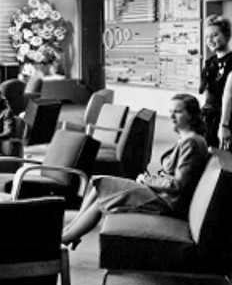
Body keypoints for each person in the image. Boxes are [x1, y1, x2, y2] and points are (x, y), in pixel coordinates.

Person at [61, 93, 210, 247]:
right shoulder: (189, 139)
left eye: (178, 112)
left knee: (104, 198)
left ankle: (65, 237)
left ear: (191, 115)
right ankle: (70, 232)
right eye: (170, 111)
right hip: (161, 195)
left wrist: (147, 180)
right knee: (98, 183)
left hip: (167, 201)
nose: (172, 116)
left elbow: (178, 185)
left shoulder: (190, 142)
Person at [200, 15, 232, 157]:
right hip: (207, 117)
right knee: (205, 158)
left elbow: (228, 97)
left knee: (222, 160)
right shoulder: (210, 62)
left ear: (226, 36)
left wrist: (224, 126)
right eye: (207, 37)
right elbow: (207, 94)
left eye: (215, 35)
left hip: (222, 117)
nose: (210, 40)